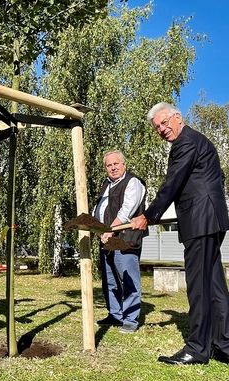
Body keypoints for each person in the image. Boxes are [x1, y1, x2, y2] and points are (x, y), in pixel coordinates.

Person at [131, 102, 229, 365]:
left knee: (199, 285)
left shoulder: (185, 142)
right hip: (211, 218)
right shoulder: (200, 141)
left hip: (200, 221)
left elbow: (172, 183)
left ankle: (197, 349)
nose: (162, 130)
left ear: (178, 117)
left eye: (164, 123)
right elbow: (217, 177)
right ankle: (224, 344)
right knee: (214, 284)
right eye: (157, 128)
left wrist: (149, 215)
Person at [93, 150, 147, 333]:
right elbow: (99, 209)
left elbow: (126, 212)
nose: (113, 168)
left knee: (128, 279)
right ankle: (115, 314)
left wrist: (109, 230)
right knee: (110, 280)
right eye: (109, 165)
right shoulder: (105, 185)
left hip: (126, 240)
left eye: (116, 164)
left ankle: (130, 319)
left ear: (124, 165)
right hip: (106, 239)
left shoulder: (133, 182)